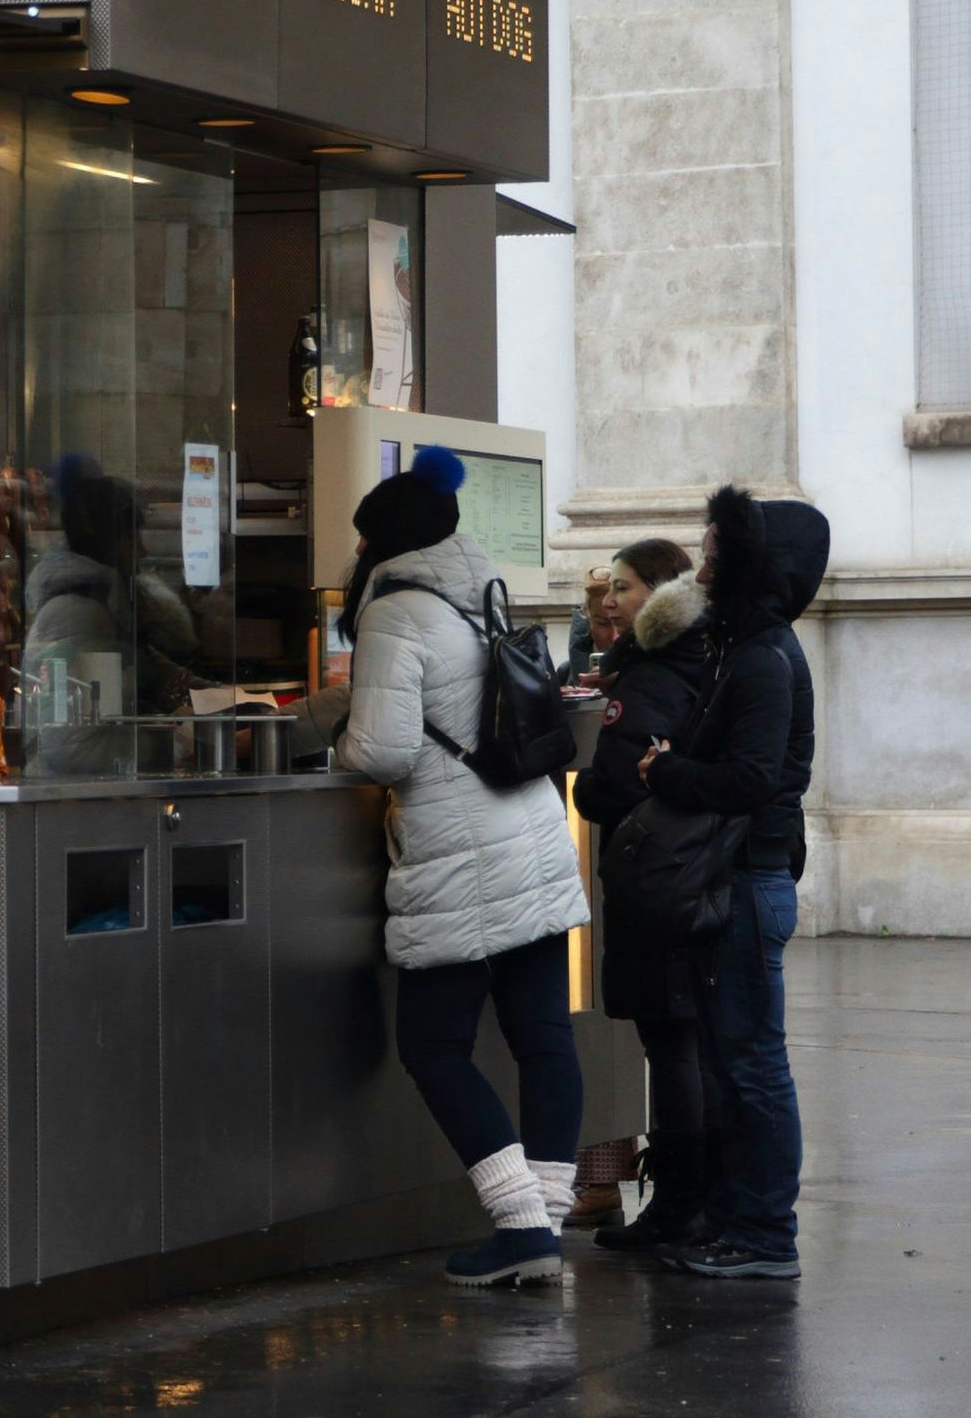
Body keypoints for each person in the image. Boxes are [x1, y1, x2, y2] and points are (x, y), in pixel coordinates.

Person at [316, 465, 590, 1286]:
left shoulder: (395, 612)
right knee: (543, 1036)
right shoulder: (481, 595)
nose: (357, 550)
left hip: (460, 857)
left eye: (363, 535)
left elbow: (386, 750)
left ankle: (520, 1226)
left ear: (387, 538)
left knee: (433, 1046)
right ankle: (543, 1221)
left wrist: (335, 740)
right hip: (532, 834)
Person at [643, 483, 826, 1283]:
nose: (703, 560)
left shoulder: (762, 656)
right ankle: (736, 1220)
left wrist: (670, 770)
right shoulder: (747, 646)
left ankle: (763, 1233)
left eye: (716, 547)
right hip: (743, 877)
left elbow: (752, 778)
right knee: (730, 1057)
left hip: (747, 879)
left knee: (750, 1061)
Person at [568, 536, 712, 1249]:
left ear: (656, 596)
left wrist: (592, 780)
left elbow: (610, 788)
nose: (608, 601)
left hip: (656, 882)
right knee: (691, 1044)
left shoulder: (648, 681)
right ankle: (696, 1198)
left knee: (670, 1047)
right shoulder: (704, 660)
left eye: (621, 587)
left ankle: (679, 1203)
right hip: (696, 879)